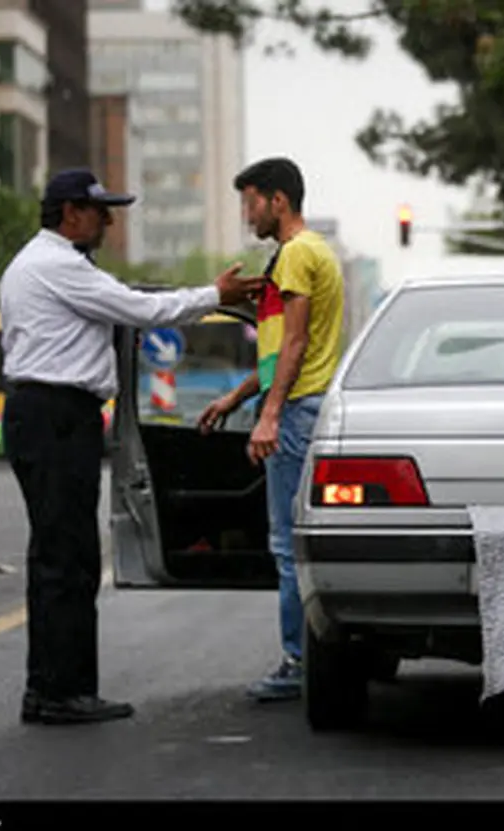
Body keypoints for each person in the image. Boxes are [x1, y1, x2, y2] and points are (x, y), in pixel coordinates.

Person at [0, 169, 265, 725]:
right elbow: (142, 311)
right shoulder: (56, 266)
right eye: (101, 211)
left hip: (52, 416)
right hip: (54, 417)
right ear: (70, 213)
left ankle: (55, 687)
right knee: (63, 558)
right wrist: (216, 295)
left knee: (60, 555)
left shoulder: (52, 264)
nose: (109, 221)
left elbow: (132, 303)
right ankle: (58, 693)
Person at [197, 157, 345, 702]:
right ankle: (308, 655)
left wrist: (270, 414)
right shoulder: (295, 256)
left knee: (288, 545)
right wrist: (236, 397)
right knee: (295, 541)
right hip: (301, 403)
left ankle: (299, 660)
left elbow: (298, 345)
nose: (246, 214)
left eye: (251, 201)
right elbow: (276, 350)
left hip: (300, 409)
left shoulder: (299, 254)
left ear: (278, 201)